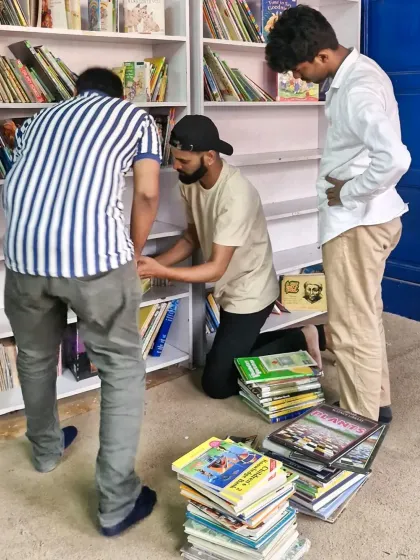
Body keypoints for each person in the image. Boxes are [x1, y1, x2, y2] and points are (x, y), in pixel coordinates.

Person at [3, 68, 161, 536]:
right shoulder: (134, 116)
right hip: (94, 259)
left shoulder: (36, 119)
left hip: (23, 257)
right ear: (117, 93)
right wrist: (134, 249)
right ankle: (116, 502)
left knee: (34, 356)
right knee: (121, 368)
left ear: (76, 92)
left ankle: (47, 450)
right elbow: (149, 190)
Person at [265, 6, 411, 422]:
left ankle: (357, 420)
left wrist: (350, 191)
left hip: (357, 224)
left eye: (298, 69)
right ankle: (375, 404)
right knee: (364, 318)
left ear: (323, 56)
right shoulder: (360, 71)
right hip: (370, 220)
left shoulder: (356, 90)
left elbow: (395, 158)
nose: (296, 78)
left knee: (348, 330)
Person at [137, 114, 326, 399]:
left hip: (251, 292)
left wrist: (159, 271)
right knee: (228, 356)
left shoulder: (236, 195)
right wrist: (147, 266)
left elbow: (213, 269)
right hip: (228, 287)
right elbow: (192, 238)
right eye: (175, 158)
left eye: (183, 160)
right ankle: (262, 344)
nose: (175, 166)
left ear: (210, 157)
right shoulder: (189, 181)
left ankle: (304, 336)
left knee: (216, 384)